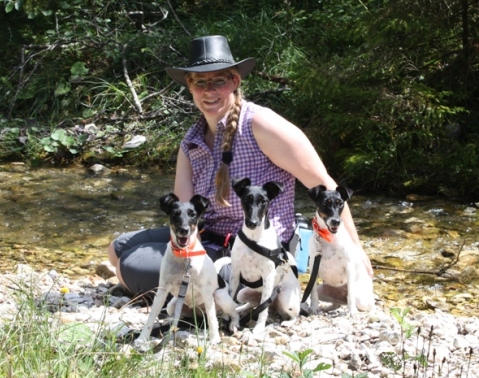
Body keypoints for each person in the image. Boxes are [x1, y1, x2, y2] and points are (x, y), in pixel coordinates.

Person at [107, 35, 373, 299]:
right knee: (118, 248)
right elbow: (184, 213)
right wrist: (183, 252)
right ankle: (193, 292)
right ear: (190, 86)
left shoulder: (261, 125)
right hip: (209, 239)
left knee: (129, 265)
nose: (209, 91)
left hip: (253, 253)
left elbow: (326, 186)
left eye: (218, 81)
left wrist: (356, 250)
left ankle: (241, 293)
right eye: (200, 83)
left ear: (235, 81)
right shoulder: (191, 141)